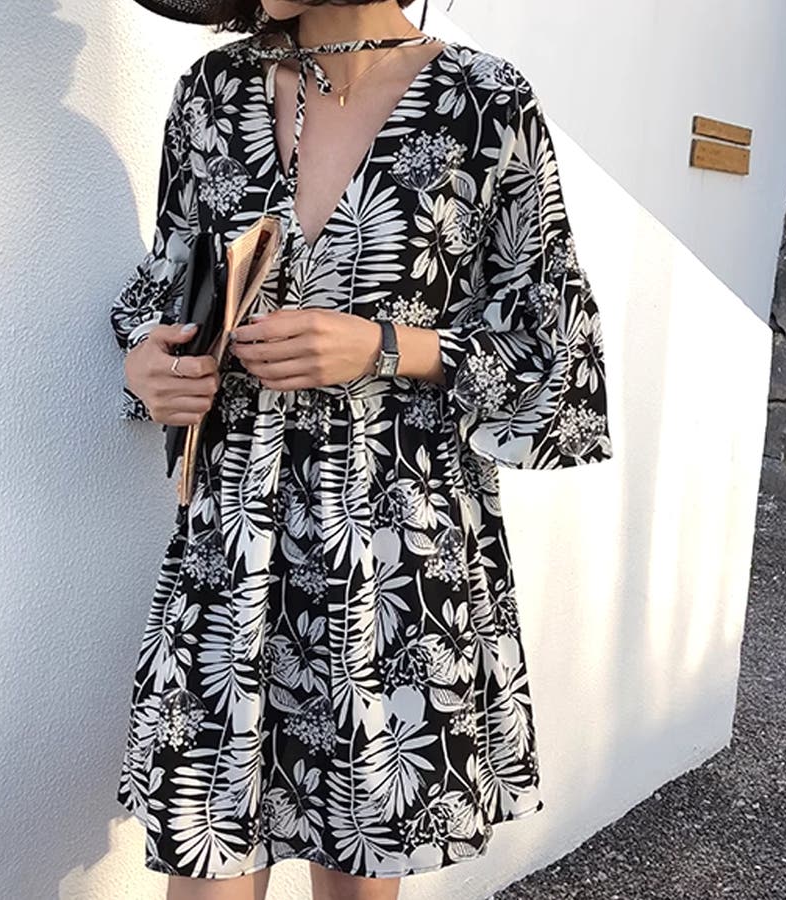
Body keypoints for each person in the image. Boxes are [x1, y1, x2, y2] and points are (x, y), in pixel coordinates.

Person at [110, 1, 614, 898]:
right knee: (207, 848)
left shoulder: (483, 101)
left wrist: (388, 346)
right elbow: (169, 285)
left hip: (392, 549)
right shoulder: (212, 94)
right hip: (237, 543)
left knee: (360, 867)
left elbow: (557, 348)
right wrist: (148, 363)